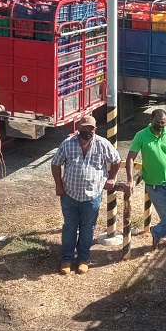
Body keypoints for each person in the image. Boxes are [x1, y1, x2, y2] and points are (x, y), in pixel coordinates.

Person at [51, 114, 121, 275]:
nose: (87, 131)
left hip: (92, 196)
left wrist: (111, 178)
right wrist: (58, 185)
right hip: (70, 194)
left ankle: (83, 259)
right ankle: (67, 259)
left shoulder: (103, 144)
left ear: (95, 129)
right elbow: (55, 163)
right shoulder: (67, 144)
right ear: (78, 128)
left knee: (87, 228)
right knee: (69, 227)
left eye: (91, 128)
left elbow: (116, 160)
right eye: (84, 128)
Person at [125, 109, 166, 250]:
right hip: (154, 185)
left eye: (163, 123)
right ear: (151, 120)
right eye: (157, 122)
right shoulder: (141, 135)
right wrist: (130, 179)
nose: (160, 125)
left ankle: (156, 232)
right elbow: (130, 158)